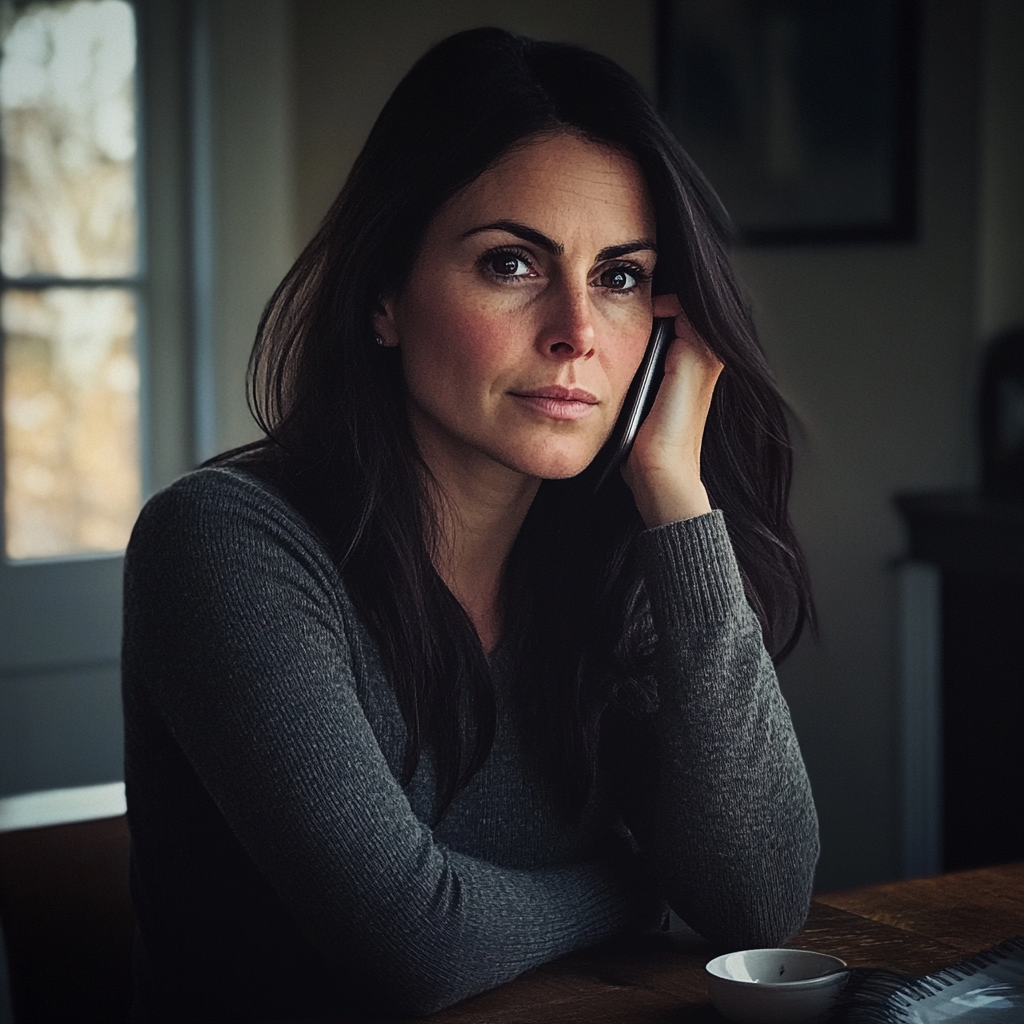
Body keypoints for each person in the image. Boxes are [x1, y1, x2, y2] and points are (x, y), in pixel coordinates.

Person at [122, 27, 819, 1023]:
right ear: (383, 298)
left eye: (619, 276)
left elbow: (758, 906)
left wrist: (674, 489)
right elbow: (414, 943)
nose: (577, 329)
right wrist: (633, 882)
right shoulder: (223, 546)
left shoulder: (615, 555)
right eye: (510, 263)